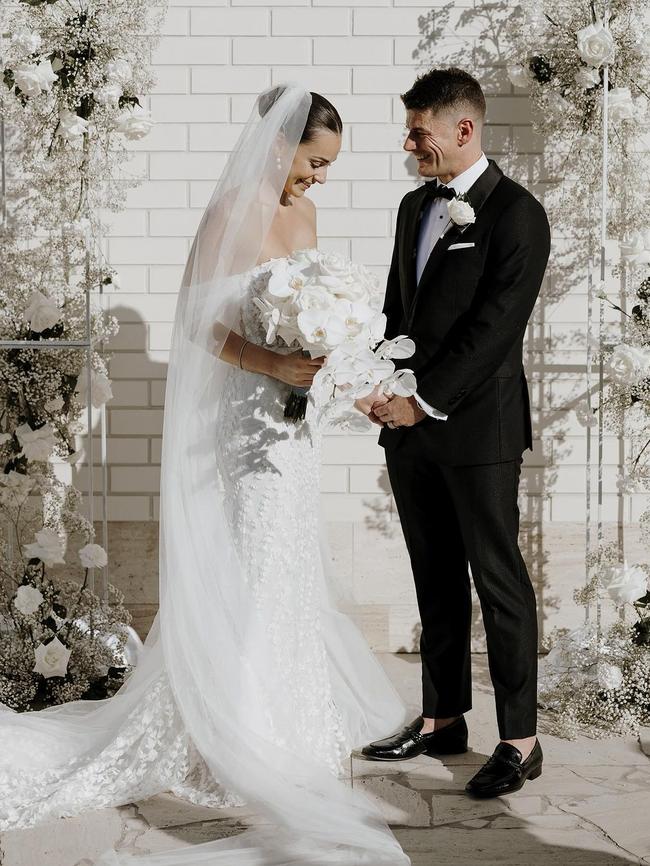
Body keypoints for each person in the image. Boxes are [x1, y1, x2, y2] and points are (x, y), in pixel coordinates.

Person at [0, 84, 410, 866]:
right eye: (314, 162)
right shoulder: (231, 213)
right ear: (282, 144)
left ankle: (282, 723)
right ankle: (230, 733)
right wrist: (276, 362)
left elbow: (318, 322)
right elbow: (197, 320)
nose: (319, 178)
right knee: (249, 565)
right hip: (243, 424)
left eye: (327, 167)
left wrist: (351, 378)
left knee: (284, 565)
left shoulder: (307, 216)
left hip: (293, 432)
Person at [357, 67, 551, 799]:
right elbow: (396, 311)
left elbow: (495, 332)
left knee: (498, 583)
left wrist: (426, 400)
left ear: (463, 128)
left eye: (420, 132)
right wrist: (371, 382)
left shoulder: (517, 214)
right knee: (432, 576)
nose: (410, 145)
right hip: (409, 430)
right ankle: (443, 718)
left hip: (479, 431)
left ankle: (520, 740)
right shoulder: (414, 207)